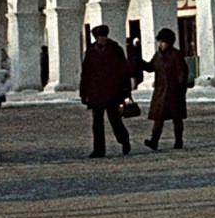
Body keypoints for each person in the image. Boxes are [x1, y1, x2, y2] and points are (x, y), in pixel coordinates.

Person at [80, 25, 132, 157]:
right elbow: (86, 73)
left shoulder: (115, 50)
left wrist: (126, 91)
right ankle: (99, 149)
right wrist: (84, 93)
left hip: (112, 91)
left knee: (114, 120)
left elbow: (123, 71)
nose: (103, 39)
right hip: (96, 92)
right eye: (100, 37)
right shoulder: (91, 52)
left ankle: (124, 140)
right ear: (96, 38)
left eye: (104, 36)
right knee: (97, 123)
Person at [142, 28, 189, 151]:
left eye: (163, 42)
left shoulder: (176, 55)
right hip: (161, 92)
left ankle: (178, 141)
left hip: (174, 92)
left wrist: (181, 88)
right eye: (159, 42)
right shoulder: (157, 56)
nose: (160, 44)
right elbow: (151, 67)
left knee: (177, 118)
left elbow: (182, 73)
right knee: (158, 118)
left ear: (169, 43)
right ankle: (154, 141)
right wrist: (140, 63)